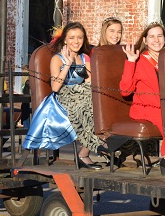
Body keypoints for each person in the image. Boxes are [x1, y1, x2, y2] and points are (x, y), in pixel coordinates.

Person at [23, 22, 107, 169]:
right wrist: (67, 64)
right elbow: (55, 87)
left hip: (82, 93)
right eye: (72, 38)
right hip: (64, 95)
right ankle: (99, 144)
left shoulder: (84, 58)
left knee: (98, 103)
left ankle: (98, 144)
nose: (76, 41)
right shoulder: (57, 59)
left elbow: (89, 82)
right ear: (65, 40)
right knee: (85, 107)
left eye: (80, 38)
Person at [120, 22, 165, 177]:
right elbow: (125, 91)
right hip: (146, 108)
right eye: (152, 36)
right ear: (145, 40)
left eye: (160, 36)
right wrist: (130, 61)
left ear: (164, 39)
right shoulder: (139, 60)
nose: (156, 40)